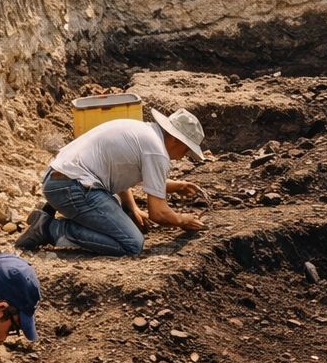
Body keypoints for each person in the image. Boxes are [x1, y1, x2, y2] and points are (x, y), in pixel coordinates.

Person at [16, 108, 206, 257]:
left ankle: (55, 212)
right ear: (174, 139)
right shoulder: (157, 151)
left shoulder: (142, 131)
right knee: (132, 244)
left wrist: (133, 207)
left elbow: (120, 173)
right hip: (74, 188)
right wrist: (183, 220)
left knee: (118, 209)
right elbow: (158, 213)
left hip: (59, 181)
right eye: (186, 150)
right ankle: (50, 229)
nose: (182, 158)